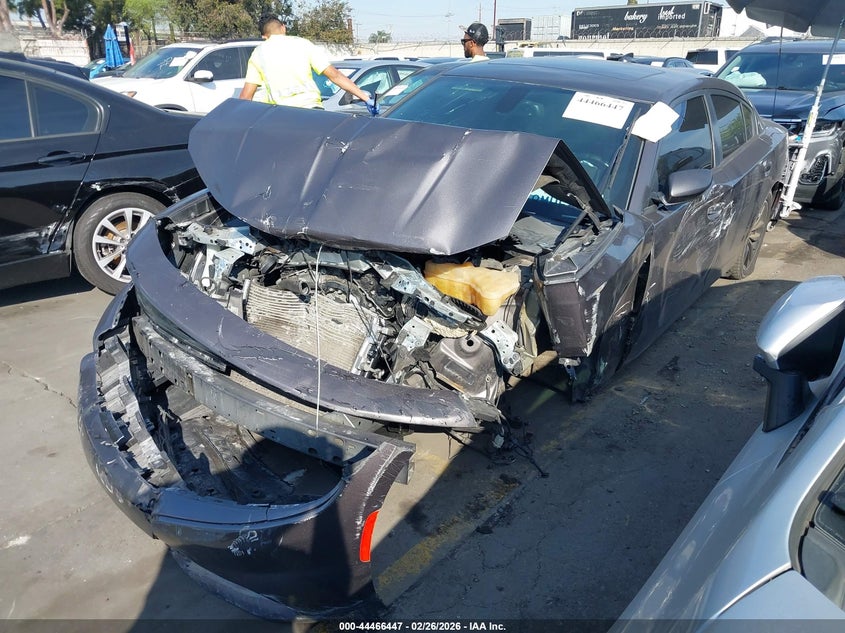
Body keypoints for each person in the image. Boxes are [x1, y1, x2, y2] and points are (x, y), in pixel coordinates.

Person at [239, 15, 376, 111]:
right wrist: (365, 98)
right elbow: (335, 75)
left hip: (282, 115)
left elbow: (246, 96)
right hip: (312, 111)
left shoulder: (258, 53)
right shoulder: (303, 44)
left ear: (264, 36)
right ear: (283, 27)